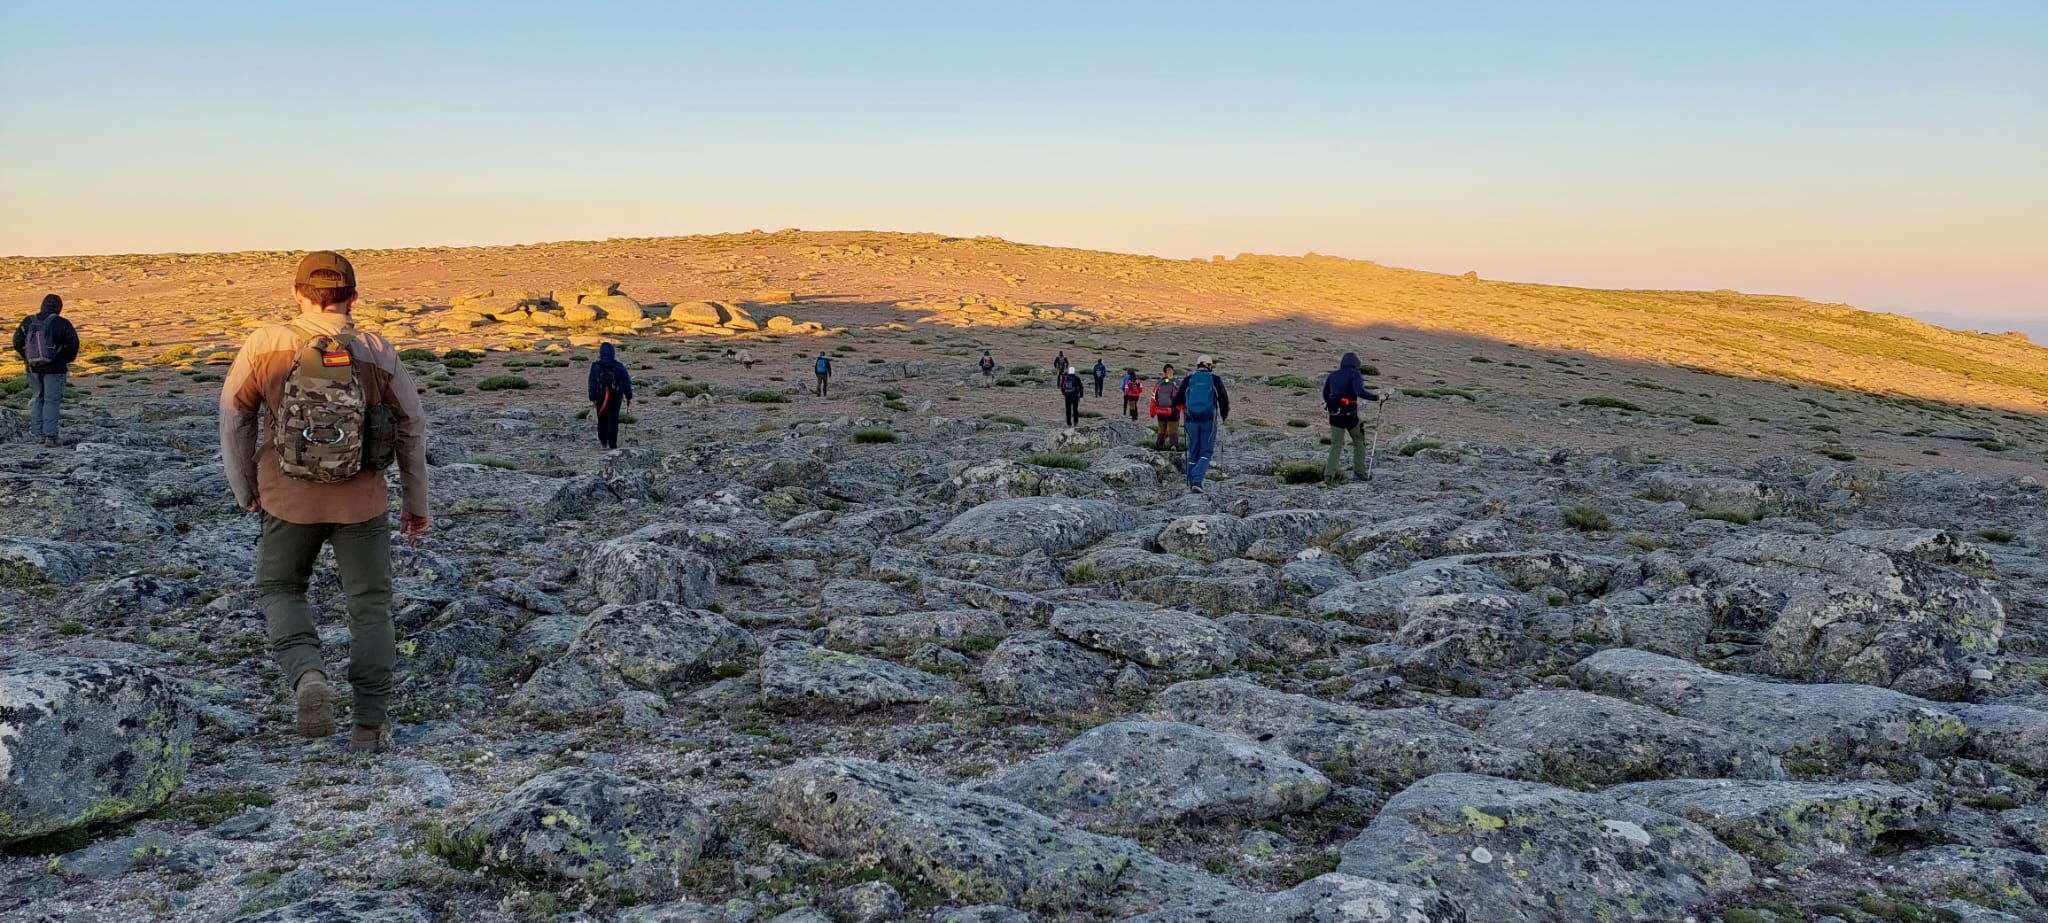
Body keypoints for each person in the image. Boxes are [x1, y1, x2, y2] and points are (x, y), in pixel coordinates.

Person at [218, 251, 429, 754]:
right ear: (354, 297)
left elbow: (234, 419)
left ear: (297, 294)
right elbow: (411, 427)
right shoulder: (377, 349)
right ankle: (368, 727)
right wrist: (415, 502)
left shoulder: (264, 344)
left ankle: (309, 675)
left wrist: (246, 488)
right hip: (362, 502)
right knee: (370, 606)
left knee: (281, 587)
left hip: (287, 498)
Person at [12, 294, 80, 447]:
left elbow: (16, 342)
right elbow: (73, 344)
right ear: (59, 307)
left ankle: (36, 434)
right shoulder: (62, 323)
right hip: (55, 369)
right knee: (51, 400)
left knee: (38, 398)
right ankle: (50, 436)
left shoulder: (28, 321)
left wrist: (27, 357)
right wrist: (65, 359)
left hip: (33, 368)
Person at [1321, 352, 1382, 485]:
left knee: (1336, 444)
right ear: (1356, 364)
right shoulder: (1355, 375)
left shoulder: (1333, 375)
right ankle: (1359, 472)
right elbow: (1360, 392)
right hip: (1349, 415)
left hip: (1334, 414)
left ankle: (1328, 476)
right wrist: (1378, 397)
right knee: (1358, 440)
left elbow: (1325, 394)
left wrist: (1331, 405)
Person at [1173, 355, 1230, 493]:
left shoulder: (1188, 379)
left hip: (1191, 420)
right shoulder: (1215, 379)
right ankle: (1197, 481)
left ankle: (1190, 481)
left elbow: (1177, 400)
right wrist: (1224, 416)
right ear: (1208, 365)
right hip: (1208, 421)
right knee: (1206, 451)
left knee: (1193, 451)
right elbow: (1223, 400)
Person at [589, 343, 634, 450]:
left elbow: (592, 383)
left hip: (600, 397)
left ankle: (603, 442)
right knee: (613, 420)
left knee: (602, 419)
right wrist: (629, 396)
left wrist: (592, 398)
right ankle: (612, 444)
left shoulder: (595, 366)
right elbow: (626, 382)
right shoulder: (619, 366)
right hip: (615, 397)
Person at [1150, 364, 1182, 451]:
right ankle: (1173, 445)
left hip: (1160, 410)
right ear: (1172, 371)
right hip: (1173, 411)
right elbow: (1182, 397)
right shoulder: (1177, 383)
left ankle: (1159, 446)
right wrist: (1183, 409)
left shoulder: (1159, 383)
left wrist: (1152, 412)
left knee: (1161, 429)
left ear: (1164, 372)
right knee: (1173, 429)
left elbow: (1153, 398)